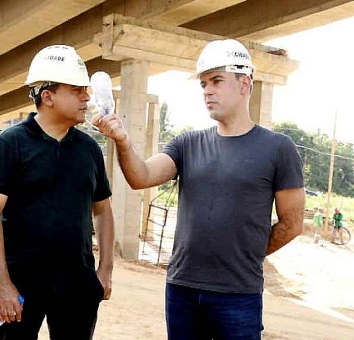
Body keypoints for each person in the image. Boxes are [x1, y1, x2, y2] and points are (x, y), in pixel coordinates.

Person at [92, 39, 305, 339]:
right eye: (204, 83)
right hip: (182, 291)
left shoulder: (278, 149)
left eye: (217, 81)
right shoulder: (187, 144)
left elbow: (292, 224)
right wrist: (123, 141)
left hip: (238, 295)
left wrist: (249, 254)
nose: (207, 90)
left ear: (245, 85)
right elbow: (141, 177)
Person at [0, 45, 115, 340]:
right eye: (77, 90)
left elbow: (102, 210)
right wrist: (1, 284)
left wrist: (104, 271)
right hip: (20, 285)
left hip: (77, 285)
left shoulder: (89, 149)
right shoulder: (10, 145)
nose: (87, 97)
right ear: (47, 96)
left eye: (86, 90)